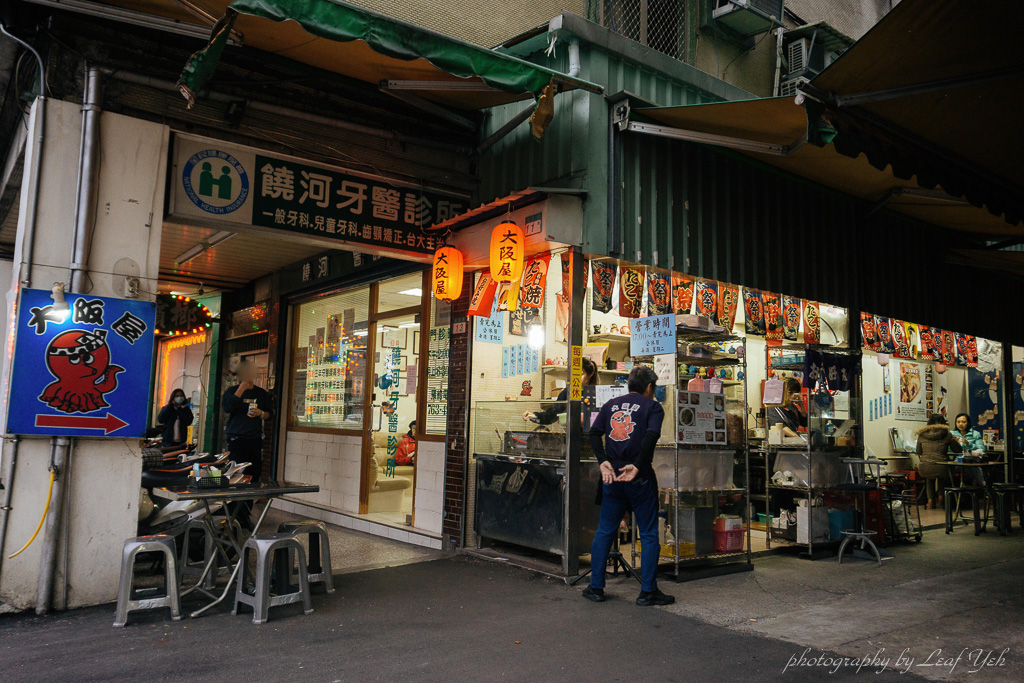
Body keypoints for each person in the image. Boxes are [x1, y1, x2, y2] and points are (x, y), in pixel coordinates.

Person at [583, 365, 674, 607]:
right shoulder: (653, 407)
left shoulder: (611, 404)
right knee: (648, 533)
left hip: (612, 475)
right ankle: (647, 592)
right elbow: (651, 437)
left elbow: (594, 433)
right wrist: (636, 466)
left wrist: (603, 461)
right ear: (648, 387)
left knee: (605, 530)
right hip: (639, 477)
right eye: (653, 388)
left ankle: (596, 588)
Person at [221, 360, 272, 513]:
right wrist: (241, 389)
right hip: (236, 440)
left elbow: (270, 414)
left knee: (253, 476)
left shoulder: (262, 394)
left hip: (254, 440)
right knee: (237, 475)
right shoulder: (231, 391)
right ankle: (233, 511)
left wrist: (261, 414)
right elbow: (227, 408)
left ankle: (246, 512)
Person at [523, 357, 598, 425]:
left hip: (591, 437)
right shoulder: (567, 392)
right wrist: (533, 415)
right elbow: (552, 415)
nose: (576, 378)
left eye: (581, 374)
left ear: (591, 374)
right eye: (574, 374)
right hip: (570, 436)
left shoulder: (597, 393)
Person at [915, 415, 961, 509]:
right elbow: (957, 449)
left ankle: (930, 500)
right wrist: (955, 441)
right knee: (942, 476)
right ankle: (941, 497)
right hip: (942, 466)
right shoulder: (947, 434)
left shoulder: (922, 434)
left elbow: (918, 452)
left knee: (929, 477)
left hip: (925, 467)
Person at [951, 412, 986, 486]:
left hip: (972, 460)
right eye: (958, 422)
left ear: (968, 423)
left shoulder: (975, 434)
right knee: (971, 469)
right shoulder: (952, 434)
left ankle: (978, 488)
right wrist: (953, 443)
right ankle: (983, 486)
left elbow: (982, 449)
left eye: (963, 422)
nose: (960, 424)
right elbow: (947, 449)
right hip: (957, 462)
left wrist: (968, 444)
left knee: (972, 466)